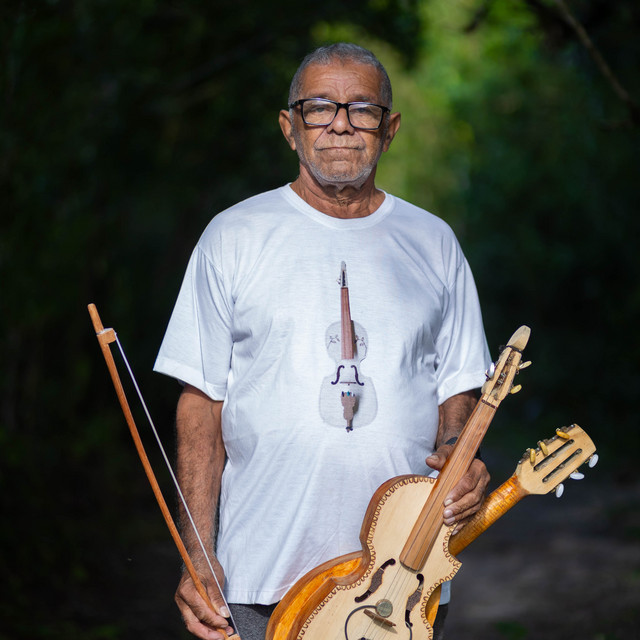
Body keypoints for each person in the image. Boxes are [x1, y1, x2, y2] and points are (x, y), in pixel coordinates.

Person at [154, 42, 491, 640]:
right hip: (262, 573)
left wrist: (456, 455)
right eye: (318, 107)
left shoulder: (434, 242)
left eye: (362, 108)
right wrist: (196, 552)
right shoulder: (233, 236)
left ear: (389, 129)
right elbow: (201, 404)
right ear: (290, 127)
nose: (340, 123)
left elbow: (458, 384)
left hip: (403, 576)